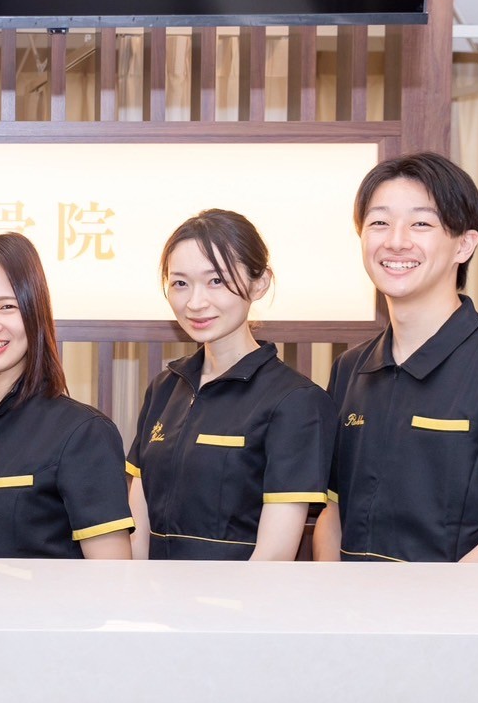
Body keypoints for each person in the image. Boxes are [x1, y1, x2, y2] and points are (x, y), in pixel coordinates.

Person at [314, 152, 478, 563]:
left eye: (421, 224)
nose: (396, 241)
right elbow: (334, 510)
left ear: (464, 244)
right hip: (352, 603)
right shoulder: (350, 369)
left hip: (458, 603)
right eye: (379, 223)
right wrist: (331, 591)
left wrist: (436, 597)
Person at [0, 233, 132, 609]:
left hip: (44, 642)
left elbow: (113, 586)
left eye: (8, 306)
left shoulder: (82, 434)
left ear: (35, 314)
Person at [126, 210, 333, 561]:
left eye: (216, 281)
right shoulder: (164, 388)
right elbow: (138, 526)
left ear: (259, 283)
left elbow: (274, 556)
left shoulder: (295, 401)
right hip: (155, 595)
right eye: (180, 283)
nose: (195, 303)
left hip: (241, 595)